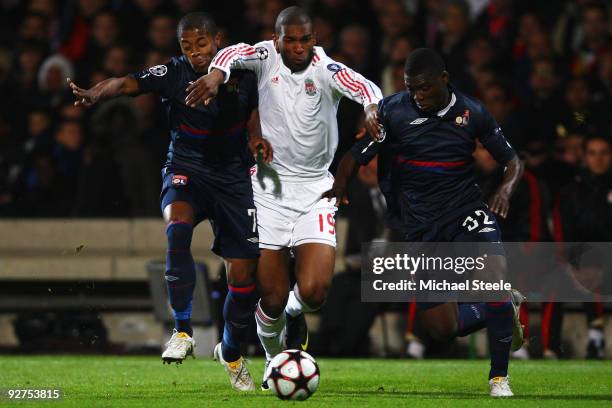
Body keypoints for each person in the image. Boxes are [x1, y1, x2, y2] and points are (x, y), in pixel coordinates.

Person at [67, 12, 273, 391]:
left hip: (233, 179)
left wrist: (256, 137)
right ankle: (182, 331)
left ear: (218, 39)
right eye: (186, 46)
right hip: (187, 170)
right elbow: (128, 83)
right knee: (176, 227)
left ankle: (230, 352)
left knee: (242, 277)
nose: (195, 53)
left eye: (201, 44)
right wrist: (98, 91)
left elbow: (253, 111)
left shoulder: (244, 72)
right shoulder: (175, 74)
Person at [184, 6, 382, 388]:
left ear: (314, 40)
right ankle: (276, 360)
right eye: (288, 40)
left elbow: (366, 87)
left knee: (314, 291)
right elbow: (230, 53)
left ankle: (294, 315)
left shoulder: (326, 70)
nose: (296, 47)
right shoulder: (264, 56)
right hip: (268, 192)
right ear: (277, 39)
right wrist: (215, 74)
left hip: (315, 191)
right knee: (270, 300)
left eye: (303, 40)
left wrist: (372, 107)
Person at [328, 48, 525, 397]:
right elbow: (355, 156)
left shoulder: (472, 111)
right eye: (410, 88)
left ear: (444, 80)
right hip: (420, 227)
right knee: (443, 328)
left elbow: (512, 161)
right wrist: (340, 183)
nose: (417, 95)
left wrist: (505, 191)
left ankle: (499, 378)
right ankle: (501, 306)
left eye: (423, 88)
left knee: (493, 277)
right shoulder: (392, 111)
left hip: (466, 213)